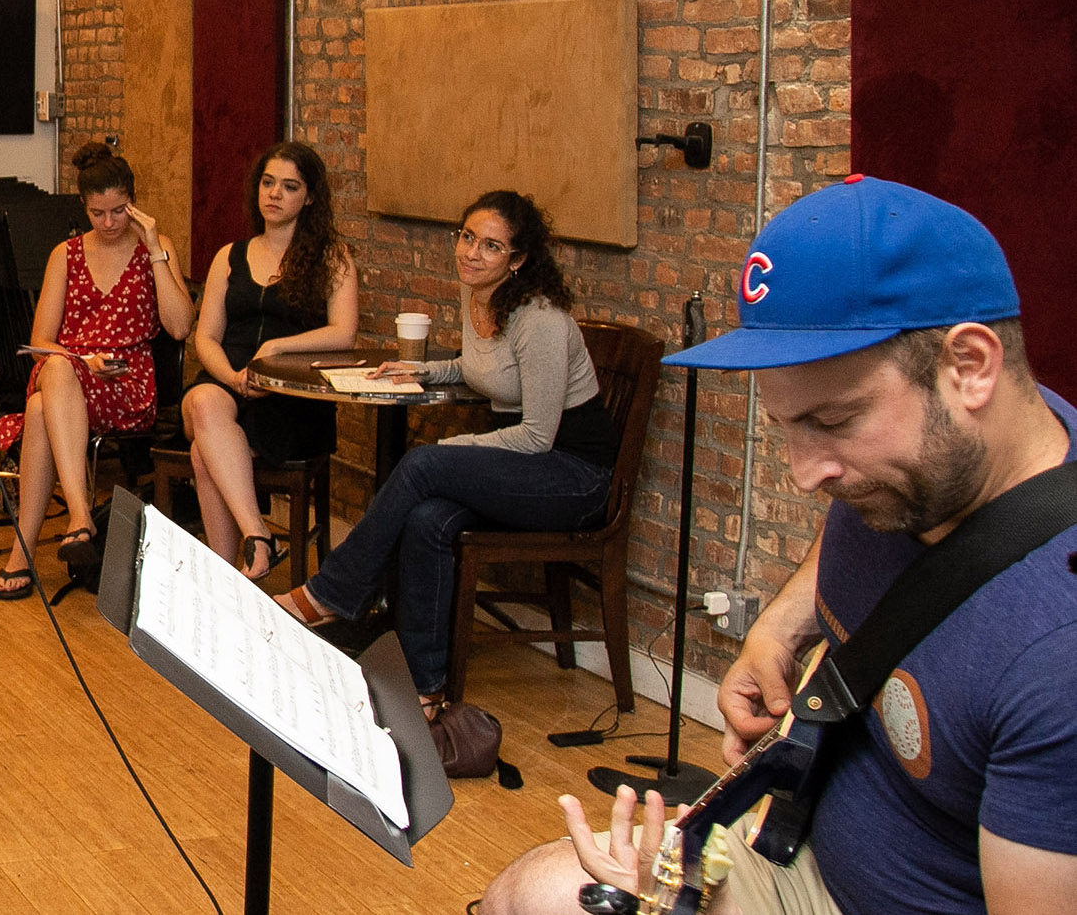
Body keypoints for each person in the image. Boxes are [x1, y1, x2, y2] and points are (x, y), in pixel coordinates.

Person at [482, 175, 1077, 915]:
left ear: (971, 367)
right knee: (533, 893)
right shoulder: (942, 463)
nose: (805, 475)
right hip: (796, 844)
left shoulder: (1058, 654)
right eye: (786, 427)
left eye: (831, 422)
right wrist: (778, 629)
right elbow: (891, 550)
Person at [271, 190, 617, 725]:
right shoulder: (478, 293)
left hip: (571, 476)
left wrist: (448, 453)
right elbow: (481, 367)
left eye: (492, 246)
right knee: (429, 518)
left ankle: (331, 595)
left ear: (518, 260)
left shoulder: (540, 320)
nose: (472, 253)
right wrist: (425, 371)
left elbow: (536, 438)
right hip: (523, 463)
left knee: (424, 465)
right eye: (468, 237)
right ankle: (425, 688)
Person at [0, 142, 195, 600]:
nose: (108, 223)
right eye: (98, 213)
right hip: (73, 371)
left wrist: (156, 250)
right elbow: (41, 338)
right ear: (84, 206)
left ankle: (26, 550)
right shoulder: (65, 254)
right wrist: (82, 360)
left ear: (135, 205)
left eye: (119, 212)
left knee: (42, 408)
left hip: (127, 381)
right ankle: (80, 519)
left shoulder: (155, 249)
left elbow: (180, 327)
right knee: (56, 372)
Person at [181, 141, 358, 578]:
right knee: (204, 403)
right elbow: (205, 337)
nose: (274, 194)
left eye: (290, 186)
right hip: (227, 380)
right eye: (268, 183)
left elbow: (344, 333)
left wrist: (280, 347)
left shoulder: (331, 258)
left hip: (291, 395)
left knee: (205, 452)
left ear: (310, 197)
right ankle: (258, 533)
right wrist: (235, 377)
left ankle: (224, 577)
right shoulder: (230, 255)